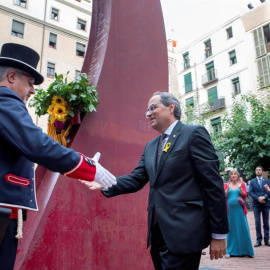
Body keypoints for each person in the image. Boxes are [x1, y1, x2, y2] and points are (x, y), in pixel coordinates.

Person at [0, 43, 116, 269]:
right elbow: (37, 145)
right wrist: (89, 167)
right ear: (12, 76)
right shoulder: (5, 99)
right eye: (30, 83)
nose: (32, 91)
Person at [82, 91, 229, 270]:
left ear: (171, 107)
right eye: (147, 110)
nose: (148, 114)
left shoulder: (193, 134)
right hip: (158, 234)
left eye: (153, 108)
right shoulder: (151, 146)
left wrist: (218, 234)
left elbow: (213, 185)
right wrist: (103, 181)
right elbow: (136, 179)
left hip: (185, 232)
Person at [224, 170, 254, 258]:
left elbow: (244, 196)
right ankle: (230, 250)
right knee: (231, 229)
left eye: (235, 174)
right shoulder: (226, 185)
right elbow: (224, 196)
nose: (233, 175)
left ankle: (246, 250)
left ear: (237, 176)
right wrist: (227, 189)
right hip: (229, 211)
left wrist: (240, 187)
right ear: (230, 176)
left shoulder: (242, 184)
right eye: (231, 174)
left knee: (242, 228)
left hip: (240, 210)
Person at [249, 166, 270, 247]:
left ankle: (267, 240)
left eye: (259, 170)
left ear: (262, 171)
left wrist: (264, 197)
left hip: (265, 204)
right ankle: (258, 240)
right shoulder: (252, 181)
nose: (257, 171)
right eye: (256, 170)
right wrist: (258, 198)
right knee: (257, 222)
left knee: (266, 222)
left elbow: (269, 191)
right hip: (256, 204)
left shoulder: (266, 181)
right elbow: (250, 192)